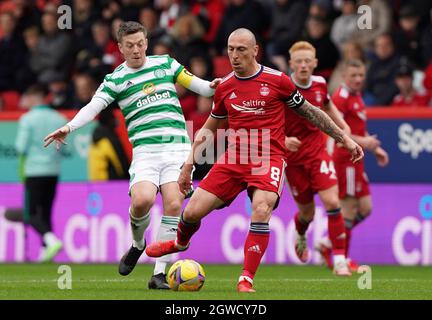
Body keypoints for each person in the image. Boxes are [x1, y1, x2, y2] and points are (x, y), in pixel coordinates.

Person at [145, 28, 363, 292]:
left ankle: (246, 277)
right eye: (230, 49)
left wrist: (345, 138)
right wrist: (189, 163)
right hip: (235, 158)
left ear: (255, 50)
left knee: (261, 210)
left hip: (267, 158)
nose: (234, 56)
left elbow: (311, 112)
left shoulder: (278, 81)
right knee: (191, 212)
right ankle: (180, 243)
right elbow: (210, 127)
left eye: (241, 49)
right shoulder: (225, 86)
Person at [44, 21, 220, 290]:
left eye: (140, 44)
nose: (136, 50)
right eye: (130, 46)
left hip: (176, 149)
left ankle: (159, 274)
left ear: (146, 42)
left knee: (174, 204)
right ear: (120, 48)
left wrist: (216, 85)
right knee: (142, 201)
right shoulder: (115, 80)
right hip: (146, 152)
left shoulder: (166, 64)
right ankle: (138, 244)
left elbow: (203, 88)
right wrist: (69, 126)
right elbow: (93, 107)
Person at [283, 41, 352, 275]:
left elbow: (328, 106)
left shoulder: (321, 84)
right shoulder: (282, 87)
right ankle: (301, 233)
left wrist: (342, 128)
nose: (303, 66)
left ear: (315, 63)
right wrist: (282, 139)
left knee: (333, 203)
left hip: (317, 152)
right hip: (292, 159)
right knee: (307, 213)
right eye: (298, 61)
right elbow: (268, 119)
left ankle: (340, 259)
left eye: (307, 61)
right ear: (291, 64)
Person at [318, 59, 389, 269]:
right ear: (344, 76)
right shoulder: (340, 99)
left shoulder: (357, 97)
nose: (358, 79)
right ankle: (343, 258)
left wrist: (375, 149)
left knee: (366, 208)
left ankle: (329, 242)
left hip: (357, 160)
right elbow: (338, 133)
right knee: (348, 209)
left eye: (361, 76)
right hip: (344, 159)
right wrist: (364, 142)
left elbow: (358, 129)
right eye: (354, 76)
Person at [15, 84, 67, 262]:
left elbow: (20, 147)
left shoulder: (27, 119)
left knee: (30, 214)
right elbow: (66, 148)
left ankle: (50, 241)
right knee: (46, 212)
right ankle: (46, 251)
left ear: (33, 97)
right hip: (53, 171)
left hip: (34, 171)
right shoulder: (59, 117)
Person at [88, 106, 130, 181]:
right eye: (114, 119)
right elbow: (120, 163)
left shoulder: (97, 136)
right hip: (110, 182)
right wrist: (128, 177)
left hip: (96, 180)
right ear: (110, 120)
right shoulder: (109, 139)